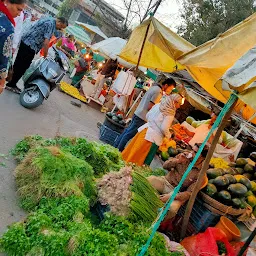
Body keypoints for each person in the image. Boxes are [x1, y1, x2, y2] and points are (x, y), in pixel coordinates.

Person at [6, 16, 68, 93]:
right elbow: (46, 42)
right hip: (30, 45)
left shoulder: (49, 19)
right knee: (22, 66)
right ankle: (11, 85)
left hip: (26, 42)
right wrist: (45, 56)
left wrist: (61, 33)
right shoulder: (50, 24)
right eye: (61, 26)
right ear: (59, 22)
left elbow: (55, 33)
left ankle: (11, 83)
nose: (60, 28)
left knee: (19, 64)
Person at [147, 145, 209, 219]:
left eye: (195, 152)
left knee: (172, 209)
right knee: (150, 180)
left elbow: (189, 193)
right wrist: (177, 161)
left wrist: (172, 196)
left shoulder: (201, 174)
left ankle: (154, 221)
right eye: (192, 150)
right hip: (165, 182)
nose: (191, 153)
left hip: (177, 193)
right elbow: (165, 166)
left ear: (202, 158)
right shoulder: (183, 157)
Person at [114, 78, 177, 152]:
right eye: (170, 88)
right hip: (142, 116)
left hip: (138, 112)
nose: (170, 91)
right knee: (129, 134)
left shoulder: (154, 87)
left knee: (127, 131)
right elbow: (150, 107)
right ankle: (118, 150)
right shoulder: (158, 92)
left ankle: (115, 146)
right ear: (166, 85)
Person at [122, 94, 183, 166]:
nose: (179, 106)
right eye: (179, 104)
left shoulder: (158, 105)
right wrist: (168, 135)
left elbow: (147, 115)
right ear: (174, 102)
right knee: (139, 160)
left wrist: (152, 123)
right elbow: (164, 127)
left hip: (144, 131)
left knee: (132, 153)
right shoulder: (170, 113)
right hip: (152, 139)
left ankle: (122, 167)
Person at [0, 0, 26, 94]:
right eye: (18, 9)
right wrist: (2, 80)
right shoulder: (7, 27)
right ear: (6, 2)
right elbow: (3, 58)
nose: (19, 14)